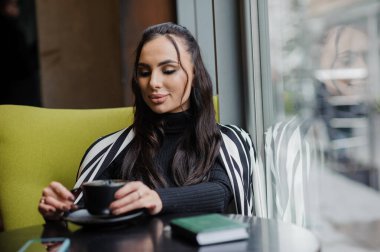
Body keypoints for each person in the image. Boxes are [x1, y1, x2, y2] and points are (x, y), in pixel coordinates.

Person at [38, 23, 257, 221]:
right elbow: (81, 210)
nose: (153, 82)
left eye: (168, 70)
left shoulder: (230, 141)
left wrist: (157, 199)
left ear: (195, 74)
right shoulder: (109, 149)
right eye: (144, 72)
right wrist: (59, 208)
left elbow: (220, 192)